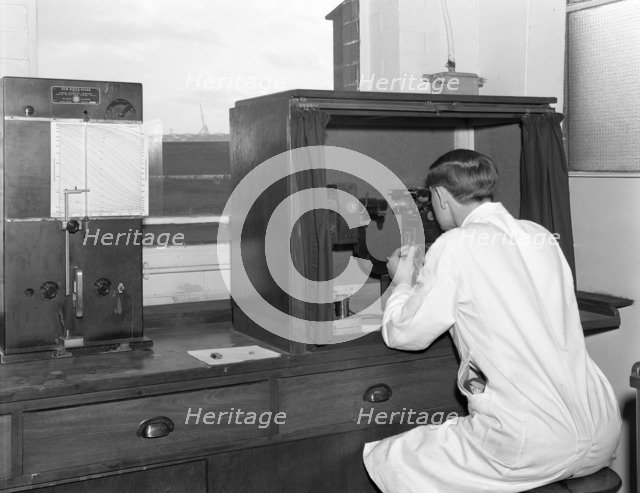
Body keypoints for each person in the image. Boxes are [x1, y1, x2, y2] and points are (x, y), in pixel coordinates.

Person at [363, 149, 621, 492]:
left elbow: (404, 334)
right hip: (602, 432)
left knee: (389, 457)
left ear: (440, 196)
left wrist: (403, 280)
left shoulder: (454, 244)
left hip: (533, 446)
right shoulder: (540, 234)